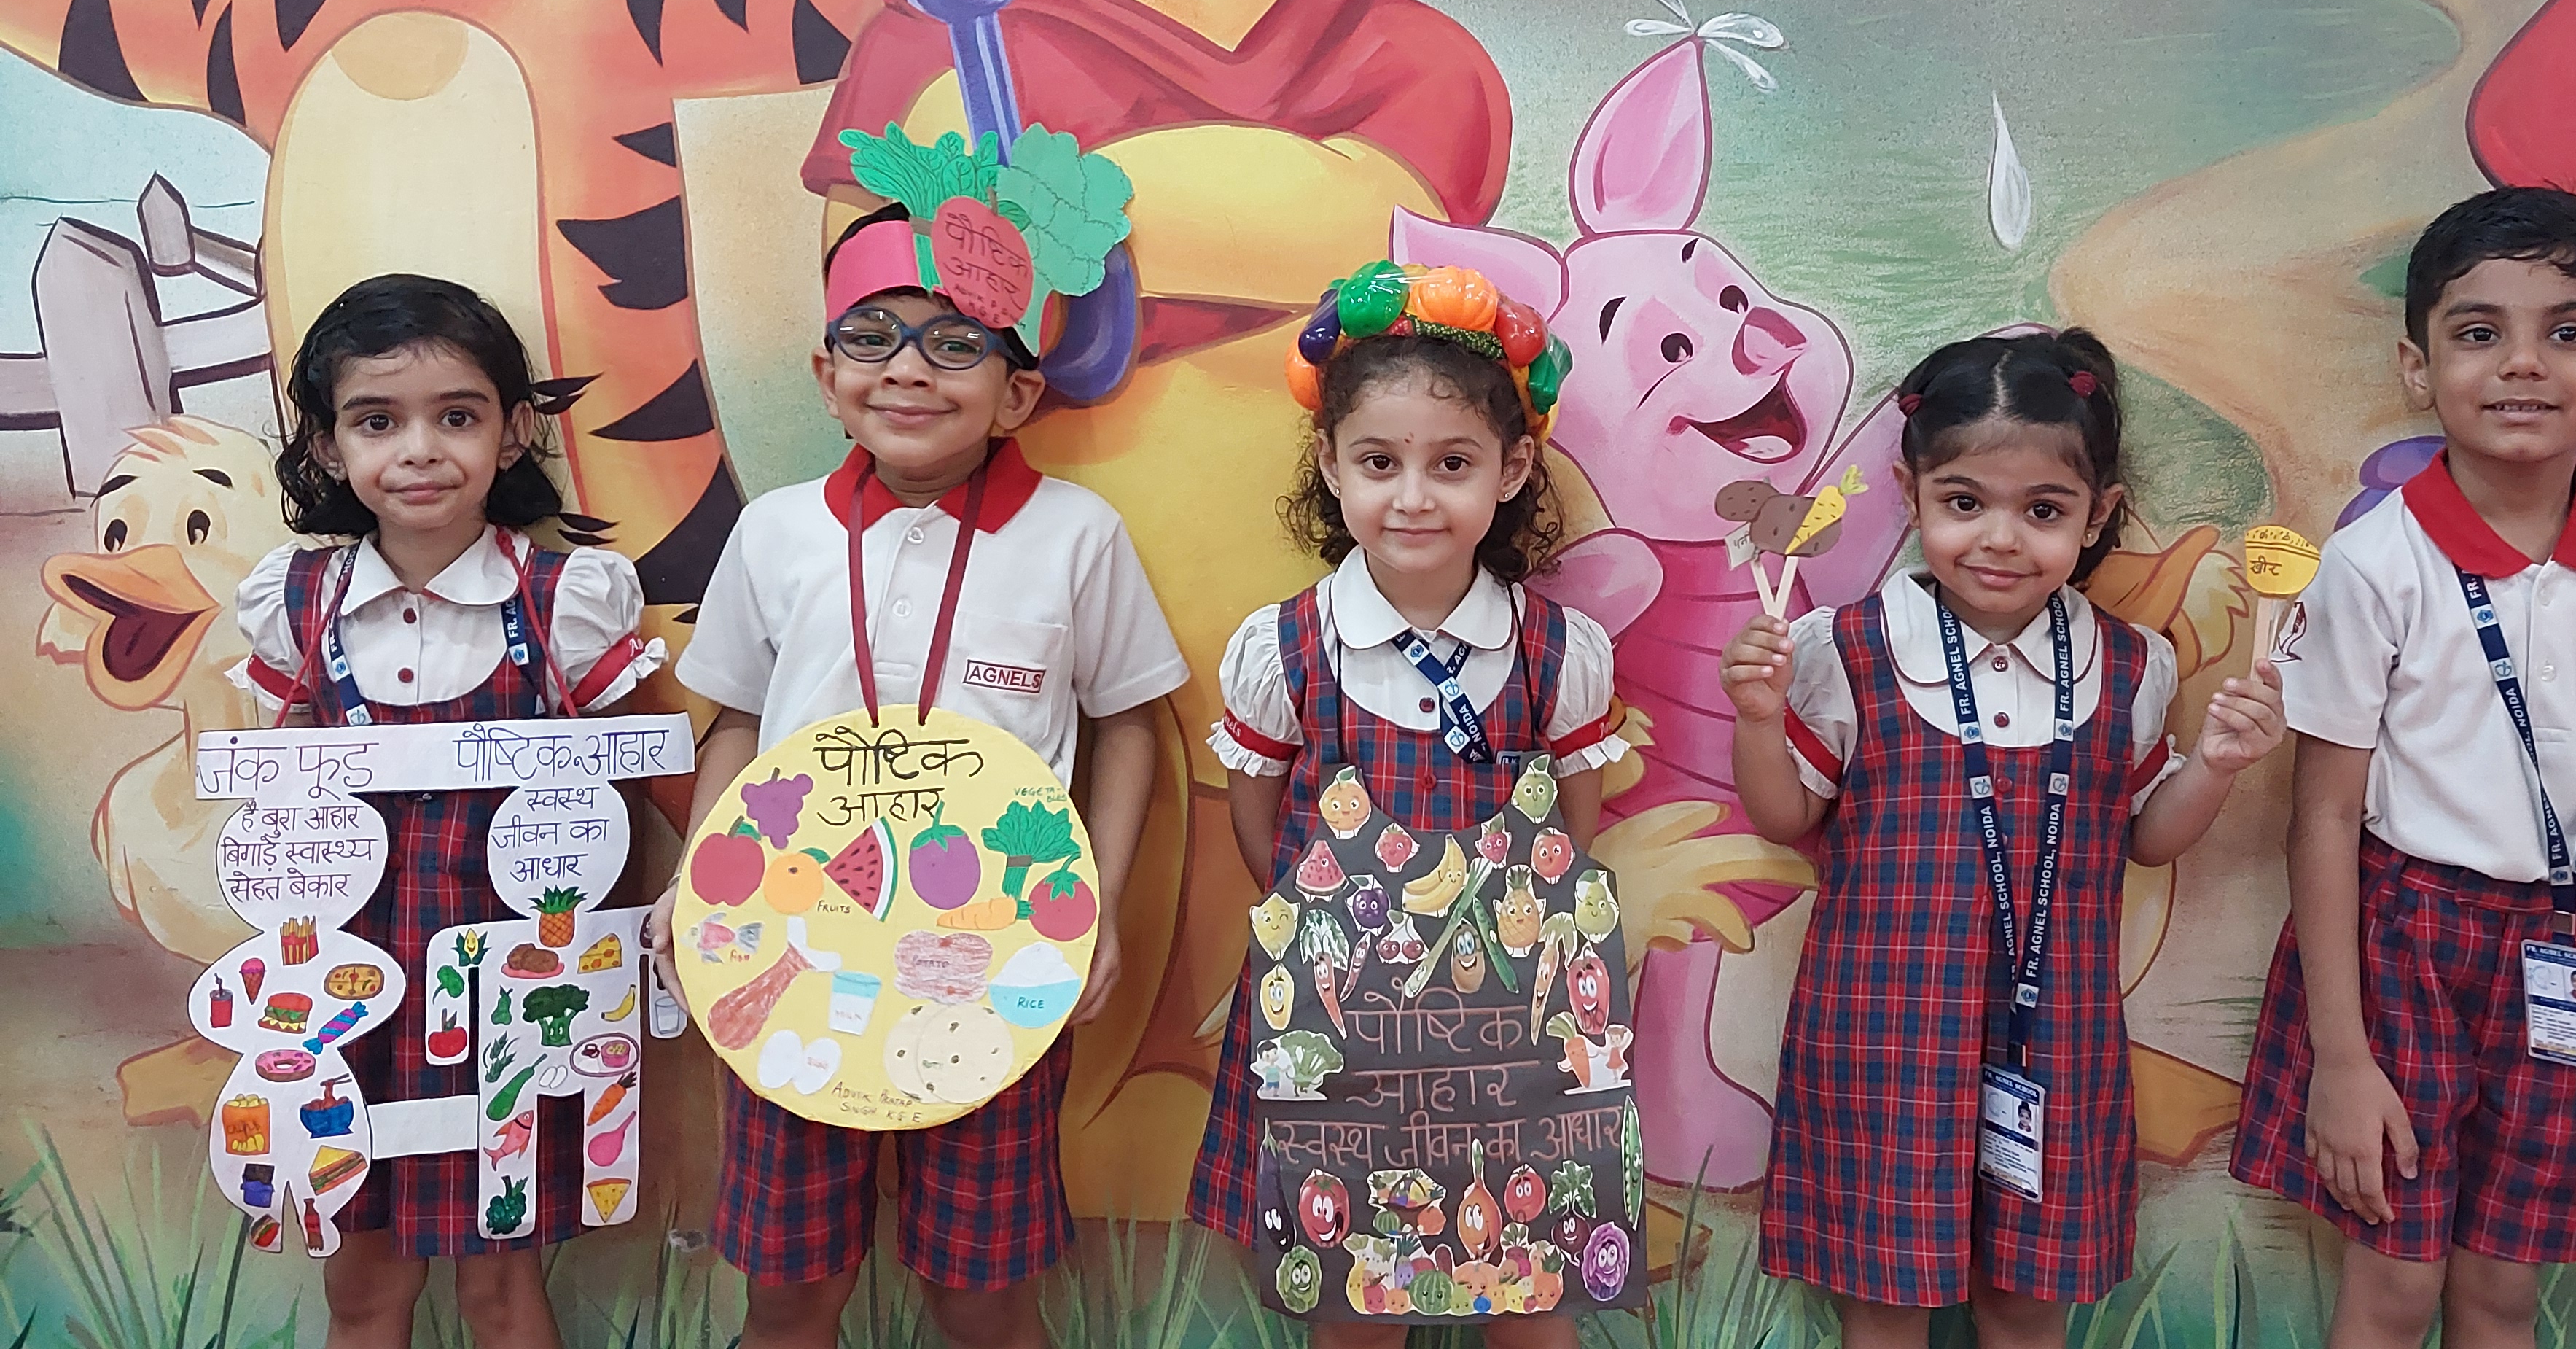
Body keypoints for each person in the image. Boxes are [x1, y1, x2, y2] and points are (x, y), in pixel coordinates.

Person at [659, 203, 1188, 1349]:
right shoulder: (776, 532)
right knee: (791, 1291)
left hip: (997, 963)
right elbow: (738, 723)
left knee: (981, 1295)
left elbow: (1128, 727)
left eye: (955, 344)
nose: (907, 369)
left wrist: (1094, 907)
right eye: (872, 336)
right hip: (789, 959)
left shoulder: (1076, 535)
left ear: (1019, 393)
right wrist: (698, 885)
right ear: (826, 373)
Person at [2229, 188, 2576, 1349]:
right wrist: (2343, 1057)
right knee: (2395, 1290)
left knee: (2504, 1295)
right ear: (2419, 368)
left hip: (2574, 946)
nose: (2523, 363)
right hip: (2403, 947)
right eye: (2479, 331)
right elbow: (2323, 816)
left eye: (2569, 331)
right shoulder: (2374, 562)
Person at [1720, 328, 2289, 1349]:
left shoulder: (2131, 666)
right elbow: (1786, 818)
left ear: (2098, 513)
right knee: (1885, 1301)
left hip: (2056, 1040)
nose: (2000, 539)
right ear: (1912, 495)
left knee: (2028, 1304)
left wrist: (2215, 765)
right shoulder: (1848, 648)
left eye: (2044, 511)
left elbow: (2148, 839)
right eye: (1964, 503)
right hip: (1881, 1040)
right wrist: (1759, 719)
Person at [1186, 260, 1628, 1349]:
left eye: (1453, 463)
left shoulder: (1560, 653)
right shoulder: (1282, 649)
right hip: (1336, 1028)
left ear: (1513, 469)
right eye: (1379, 462)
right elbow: (1261, 831)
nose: (1414, 496)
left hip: (1516, 1038)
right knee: (1353, 1309)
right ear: (1330, 464)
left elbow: (1571, 835)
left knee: (1534, 1304)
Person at [237, 275, 667, 1349]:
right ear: (329, 446)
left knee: (499, 1287)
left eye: (458, 416)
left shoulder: (568, 601)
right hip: (346, 998)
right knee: (362, 1288)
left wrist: (650, 938)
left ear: (513, 431)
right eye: (378, 421)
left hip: (515, 995)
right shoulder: (296, 605)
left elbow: (642, 790)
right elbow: (280, 802)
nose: (420, 451)